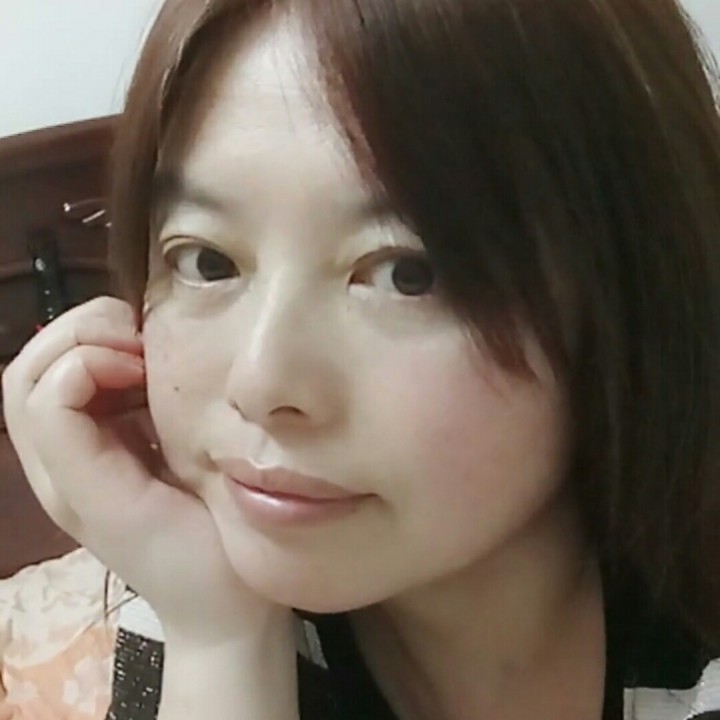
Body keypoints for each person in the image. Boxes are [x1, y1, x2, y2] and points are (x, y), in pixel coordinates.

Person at [3, 0, 720, 718]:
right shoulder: (198, 582)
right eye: (207, 261)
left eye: (408, 275)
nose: (260, 381)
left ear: (632, 290)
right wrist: (221, 640)